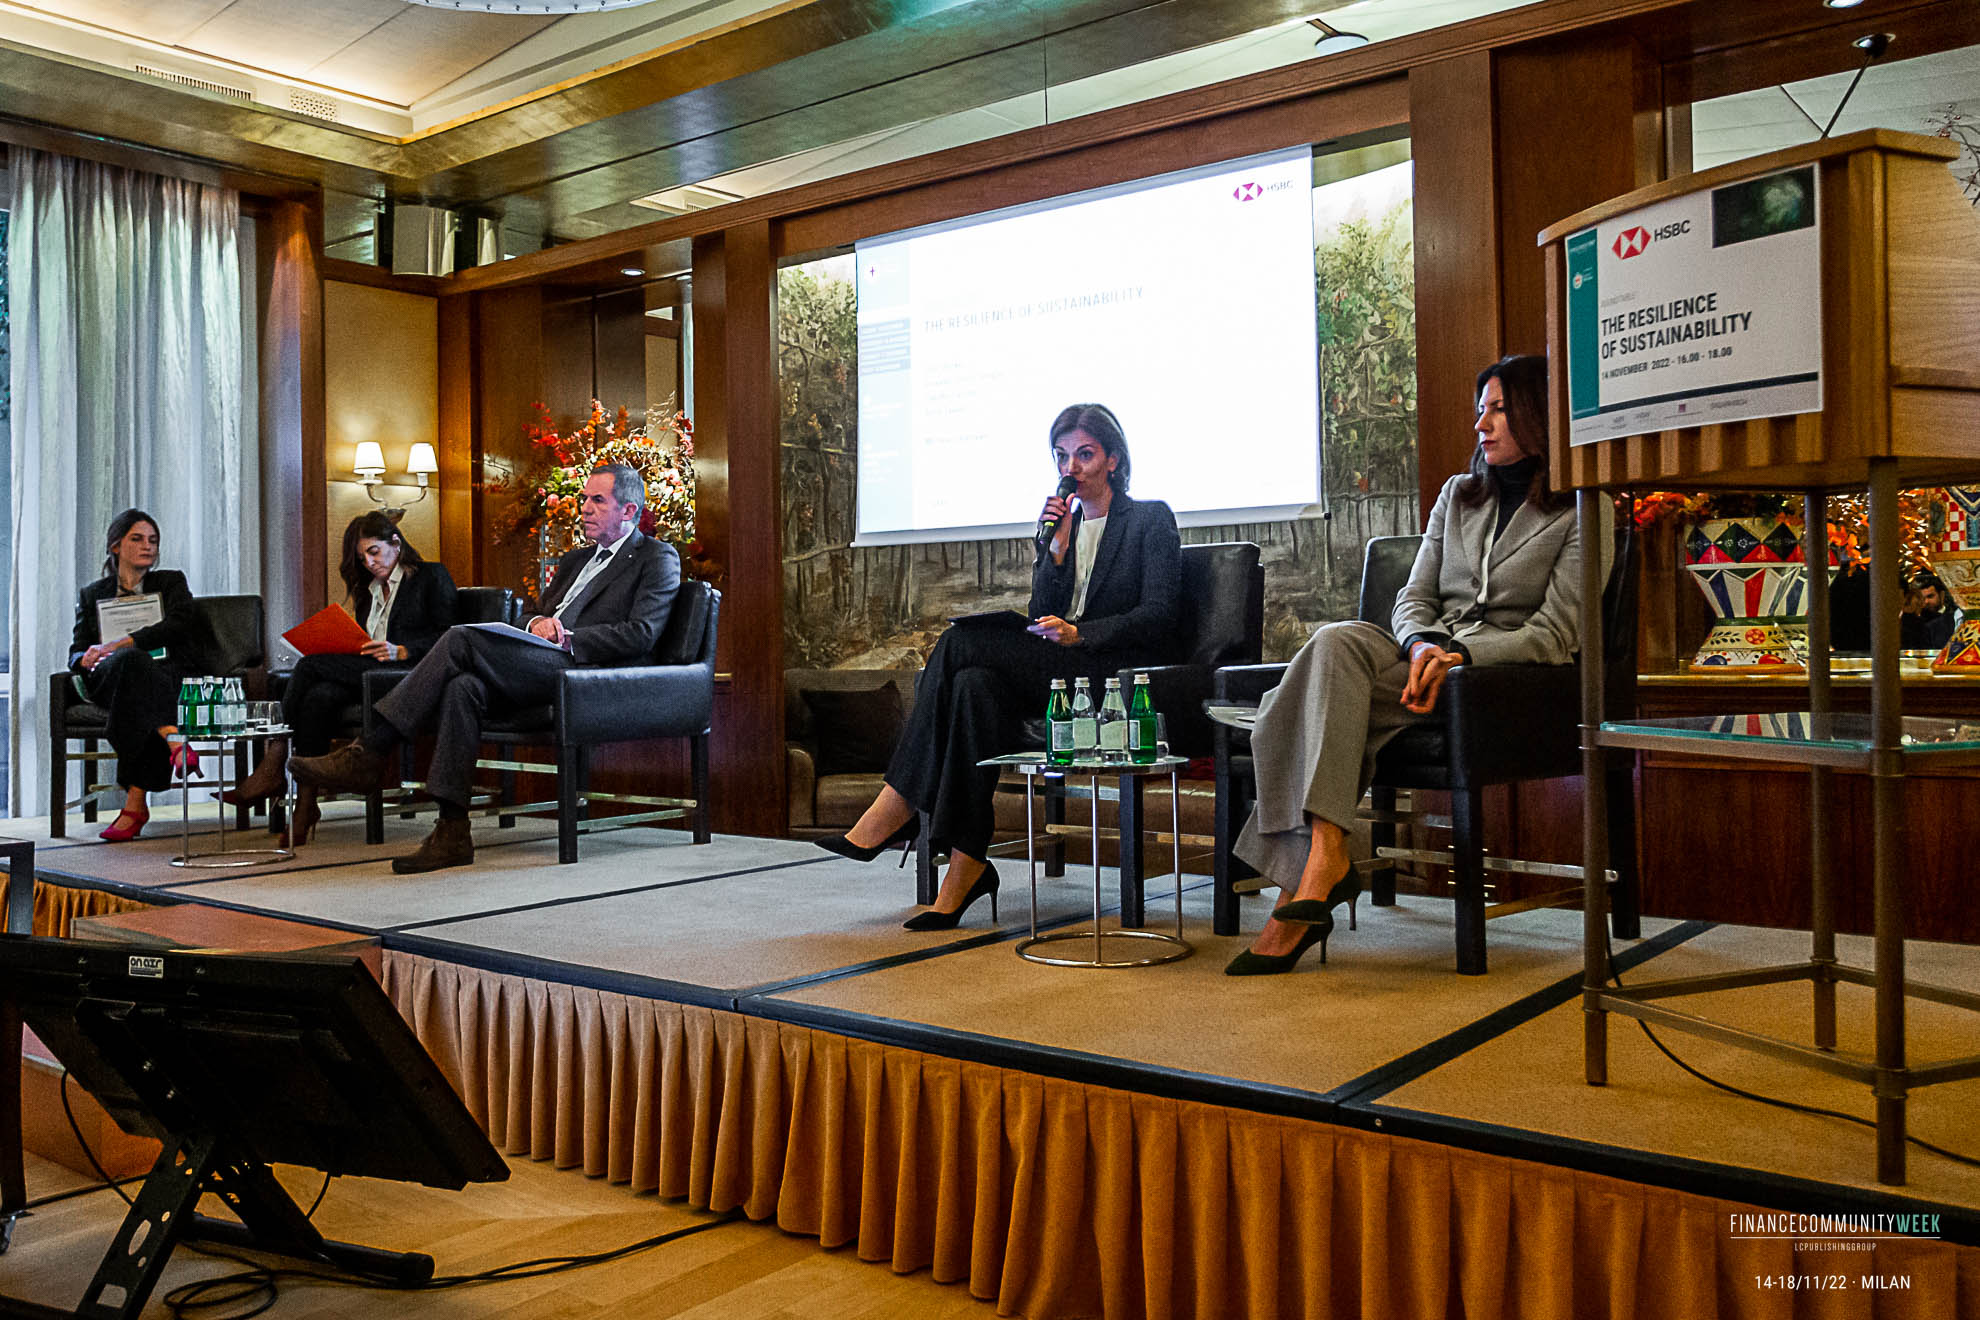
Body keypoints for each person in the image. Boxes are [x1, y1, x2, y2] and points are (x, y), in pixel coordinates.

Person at [1226, 354, 1604, 975]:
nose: (1481, 424)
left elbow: (1556, 634)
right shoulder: (1458, 495)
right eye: (1480, 410)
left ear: (1537, 414)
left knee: (1298, 704)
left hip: (1493, 677)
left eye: (1498, 409)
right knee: (1335, 641)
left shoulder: (1584, 508)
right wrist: (1424, 644)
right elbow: (1414, 596)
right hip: (1420, 653)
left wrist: (1461, 656)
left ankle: (1305, 883)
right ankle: (1326, 852)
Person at [817, 404, 1182, 930]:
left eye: (1084, 454)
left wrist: (1082, 634)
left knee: (958, 643)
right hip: (1058, 668)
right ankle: (967, 865)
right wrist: (1056, 553)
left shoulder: (1149, 519)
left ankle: (898, 804)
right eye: (1062, 456)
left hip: (1113, 676)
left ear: (1114, 460)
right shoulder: (1062, 528)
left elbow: (1161, 615)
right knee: (974, 687)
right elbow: (1041, 613)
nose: (1071, 467)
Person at [291, 463, 680, 874]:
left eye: (597, 500)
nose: (584, 508)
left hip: (585, 673)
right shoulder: (574, 561)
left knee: (460, 638)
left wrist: (568, 638)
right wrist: (536, 623)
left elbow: (642, 633)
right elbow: (529, 614)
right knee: (463, 687)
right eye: (584, 498)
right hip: (537, 662)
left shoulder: (656, 558)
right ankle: (452, 831)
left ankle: (371, 751)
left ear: (628, 510)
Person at [221, 512, 458, 844]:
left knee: (308, 667)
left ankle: (275, 757)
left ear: (395, 543)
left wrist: (403, 650)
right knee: (319, 697)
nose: (369, 563)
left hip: (410, 674)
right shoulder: (368, 590)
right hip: (370, 672)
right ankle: (306, 804)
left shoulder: (431, 576)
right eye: (362, 558)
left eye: (374, 552)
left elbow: (450, 636)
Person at [68, 509, 202, 842]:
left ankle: (135, 804)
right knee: (131, 667)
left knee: (140, 678)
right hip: (108, 678)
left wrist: (125, 642)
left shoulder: (170, 582)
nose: (148, 546)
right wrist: (84, 658)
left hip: (157, 671)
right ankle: (172, 736)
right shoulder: (92, 593)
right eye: (138, 539)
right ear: (115, 546)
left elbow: (179, 624)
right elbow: (76, 650)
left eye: (153, 540)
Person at [1901, 571, 1956, 652]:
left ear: (1942, 595)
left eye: (1930, 596)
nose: (1926, 602)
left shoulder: (1953, 617)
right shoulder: (1914, 622)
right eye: (1922, 598)